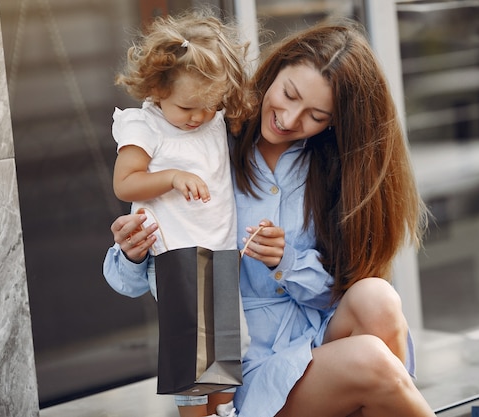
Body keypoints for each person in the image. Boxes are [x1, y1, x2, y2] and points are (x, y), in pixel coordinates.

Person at [104, 18, 437, 417]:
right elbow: (144, 283)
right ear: (275, 70)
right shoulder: (209, 137)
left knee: (377, 297)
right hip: (246, 366)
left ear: (335, 122)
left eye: (316, 115)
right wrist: (134, 253)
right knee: (372, 359)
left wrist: (288, 261)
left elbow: (341, 286)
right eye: (289, 94)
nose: (291, 119)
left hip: (318, 340)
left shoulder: (330, 166)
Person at [109, 9, 254, 417]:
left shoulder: (211, 117)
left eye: (210, 106)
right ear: (157, 90)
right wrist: (171, 176)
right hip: (175, 252)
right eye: (188, 108)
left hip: (219, 247)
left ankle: (223, 411)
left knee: (226, 346)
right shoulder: (145, 126)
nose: (199, 118)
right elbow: (126, 183)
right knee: (192, 349)